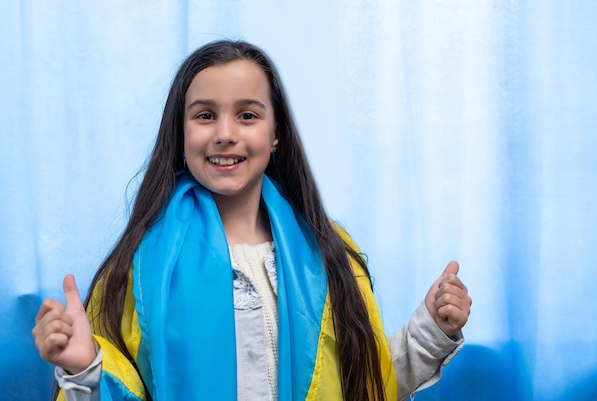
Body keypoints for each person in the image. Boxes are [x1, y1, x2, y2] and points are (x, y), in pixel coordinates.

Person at [32, 40, 472, 401]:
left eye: (247, 115)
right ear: (180, 133)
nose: (225, 132)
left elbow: (368, 384)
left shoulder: (329, 251)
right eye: (205, 115)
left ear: (275, 133)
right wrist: (84, 369)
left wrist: (431, 329)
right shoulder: (140, 266)